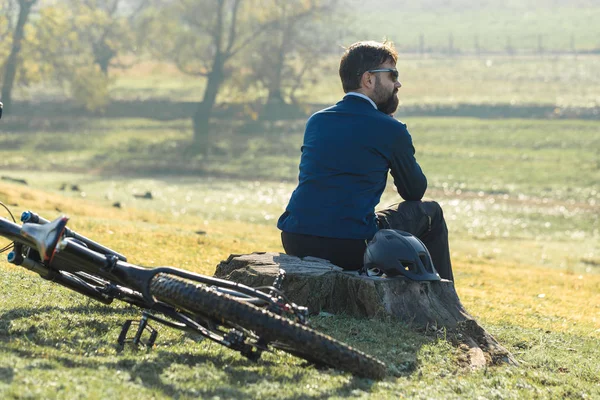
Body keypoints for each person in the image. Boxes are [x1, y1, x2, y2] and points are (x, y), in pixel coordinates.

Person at [277, 40, 454, 281]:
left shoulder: (316, 121)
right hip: (349, 246)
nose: (398, 83)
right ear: (368, 79)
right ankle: (444, 300)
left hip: (295, 238)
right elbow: (414, 191)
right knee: (432, 212)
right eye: (393, 75)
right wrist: (392, 130)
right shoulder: (390, 128)